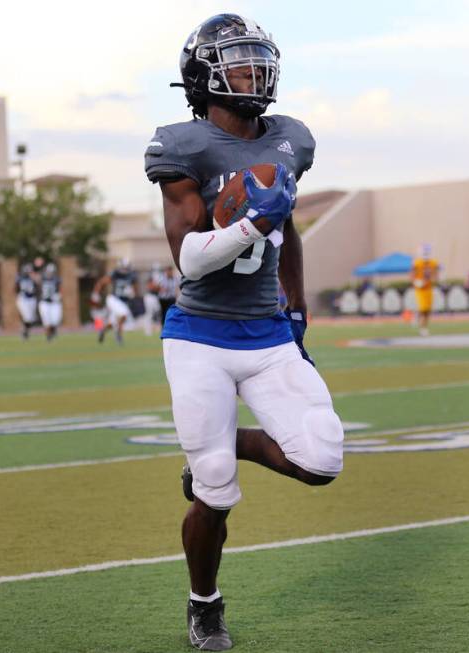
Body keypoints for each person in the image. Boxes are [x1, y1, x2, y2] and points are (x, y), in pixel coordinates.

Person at [145, 14, 343, 651]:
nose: (254, 73)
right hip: (200, 335)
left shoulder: (289, 140)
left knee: (321, 459)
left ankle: (230, 444)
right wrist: (254, 223)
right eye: (238, 61)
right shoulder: (184, 147)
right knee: (214, 494)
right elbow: (192, 257)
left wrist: (297, 304)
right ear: (203, 75)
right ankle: (205, 603)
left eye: (259, 60)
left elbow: (288, 231)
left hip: (267, 332)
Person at [92, 259, 136, 345]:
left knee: (113, 322)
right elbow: (102, 282)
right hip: (114, 299)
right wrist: (96, 294)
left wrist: (132, 293)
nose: (126, 270)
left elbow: (133, 289)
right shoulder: (115, 274)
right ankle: (118, 334)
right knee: (124, 314)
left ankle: (103, 331)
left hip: (123, 301)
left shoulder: (131, 276)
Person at [411, 244, 439, 336]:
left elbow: (435, 276)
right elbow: (412, 276)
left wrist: (433, 278)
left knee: (428, 310)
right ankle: (423, 328)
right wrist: (417, 282)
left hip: (428, 288)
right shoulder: (417, 263)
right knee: (423, 309)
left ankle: (418, 317)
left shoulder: (433, 263)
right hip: (420, 289)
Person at [38, 262, 63, 341]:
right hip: (44, 302)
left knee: (56, 320)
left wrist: (59, 295)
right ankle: (49, 337)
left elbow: (60, 289)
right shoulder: (42, 278)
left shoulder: (57, 279)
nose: (50, 273)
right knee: (47, 322)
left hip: (55, 302)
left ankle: (52, 332)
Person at [15, 263, 39, 340]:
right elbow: (16, 288)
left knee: (32, 318)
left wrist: (35, 279)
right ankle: (24, 332)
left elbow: (38, 286)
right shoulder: (20, 278)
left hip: (32, 299)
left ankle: (25, 331)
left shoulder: (33, 278)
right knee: (27, 317)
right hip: (23, 299)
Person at [143, 263, 163, 336]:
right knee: (149, 313)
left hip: (155, 297)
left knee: (158, 311)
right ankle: (148, 331)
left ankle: (158, 327)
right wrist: (158, 287)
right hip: (150, 296)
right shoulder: (150, 276)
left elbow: (160, 287)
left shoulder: (159, 276)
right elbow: (151, 287)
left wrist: (158, 287)